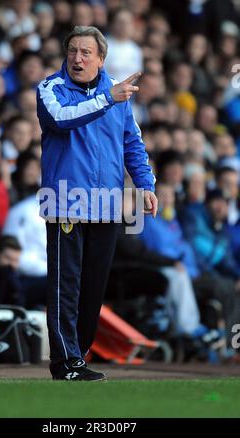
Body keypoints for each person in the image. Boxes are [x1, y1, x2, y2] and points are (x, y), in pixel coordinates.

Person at [36, 25, 157, 381]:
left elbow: (131, 143)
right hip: (65, 203)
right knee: (66, 285)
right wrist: (107, 99)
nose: (78, 58)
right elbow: (60, 119)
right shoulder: (52, 88)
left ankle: (79, 355)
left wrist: (146, 184)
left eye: (86, 52)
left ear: (100, 59)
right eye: (73, 50)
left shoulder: (117, 96)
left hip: (107, 206)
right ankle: (65, 362)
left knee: (93, 288)